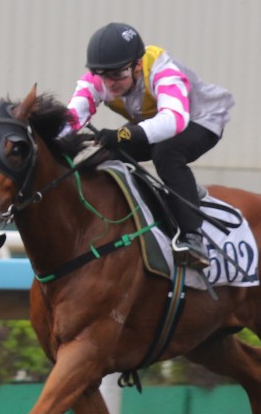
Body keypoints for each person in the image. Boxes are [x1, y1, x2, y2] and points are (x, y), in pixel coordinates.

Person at [64, 22, 235, 269]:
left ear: (137, 65)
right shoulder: (96, 80)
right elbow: (70, 121)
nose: (110, 84)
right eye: (103, 75)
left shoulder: (162, 69)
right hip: (157, 123)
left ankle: (193, 237)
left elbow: (173, 121)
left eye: (118, 75)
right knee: (102, 158)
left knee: (166, 153)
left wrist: (122, 134)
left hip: (201, 119)